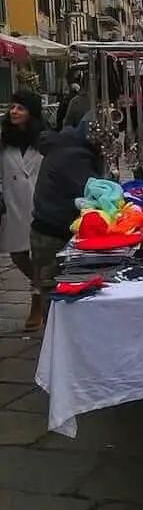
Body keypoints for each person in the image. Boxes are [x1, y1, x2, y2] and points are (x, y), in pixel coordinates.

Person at [30, 113, 104, 322]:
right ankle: (54, 340)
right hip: (52, 232)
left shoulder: (69, 146)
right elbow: (93, 189)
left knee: (51, 285)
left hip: (50, 227)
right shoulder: (73, 155)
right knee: (53, 289)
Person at [0, 91, 46, 331]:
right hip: (13, 203)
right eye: (12, 107)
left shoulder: (44, 139)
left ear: (31, 112)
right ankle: (42, 285)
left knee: (38, 255)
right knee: (18, 254)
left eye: (20, 108)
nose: (14, 111)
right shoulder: (4, 139)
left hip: (39, 203)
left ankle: (37, 301)